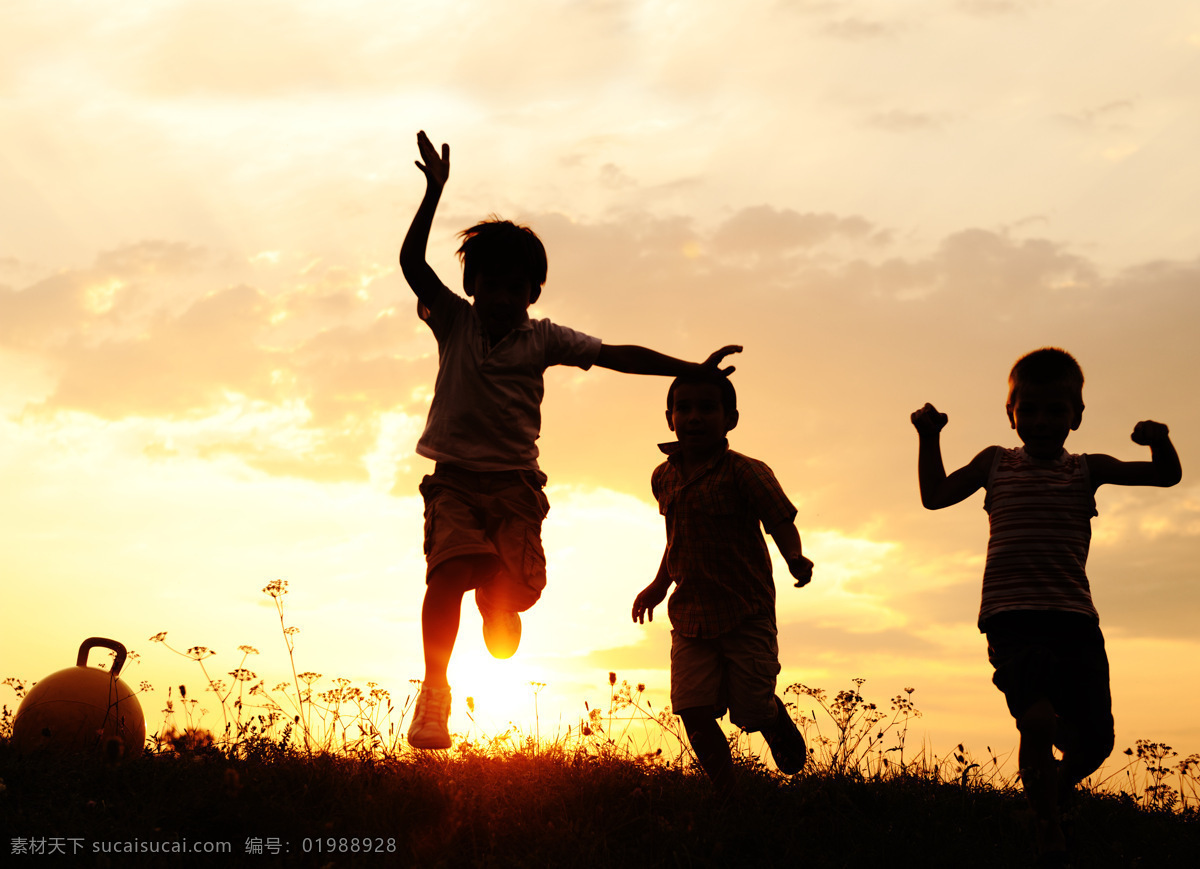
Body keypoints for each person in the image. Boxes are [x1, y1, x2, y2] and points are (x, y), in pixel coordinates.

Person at [399, 130, 741, 750]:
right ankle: (435, 691)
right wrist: (433, 195)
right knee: (447, 574)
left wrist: (690, 370)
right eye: (489, 285)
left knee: (514, 599)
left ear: (533, 293)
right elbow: (412, 268)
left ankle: (500, 601)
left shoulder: (545, 339)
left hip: (515, 489)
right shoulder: (454, 320)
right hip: (451, 479)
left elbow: (617, 355)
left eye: (514, 288)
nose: (500, 298)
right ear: (472, 287)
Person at [911, 347, 1181, 861]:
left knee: (1096, 739)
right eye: (1028, 409)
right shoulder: (995, 462)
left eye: (1056, 409)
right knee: (1034, 721)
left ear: (1077, 416)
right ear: (1010, 414)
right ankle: (1046, 828)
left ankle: (1052, 792)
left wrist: (1160, 441)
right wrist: (929, 436)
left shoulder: (1087, 469)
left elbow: (1164, 477)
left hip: (1075, 619)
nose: (1041, 420)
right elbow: (936, 495)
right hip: (1011, 619)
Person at [632, 371, 813, 796]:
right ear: (669, 417)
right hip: (691, 613)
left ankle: (769, 716)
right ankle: (727, 795)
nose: (695, 417)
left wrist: (794, 557)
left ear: (730, 418)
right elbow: (677, 536)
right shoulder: (664, 476)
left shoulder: (746, 472)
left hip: (744, 612)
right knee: (692, 708)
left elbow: (780, 520)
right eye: (685, 408)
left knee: (749, 708)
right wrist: (659, 584)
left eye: (708, 408)